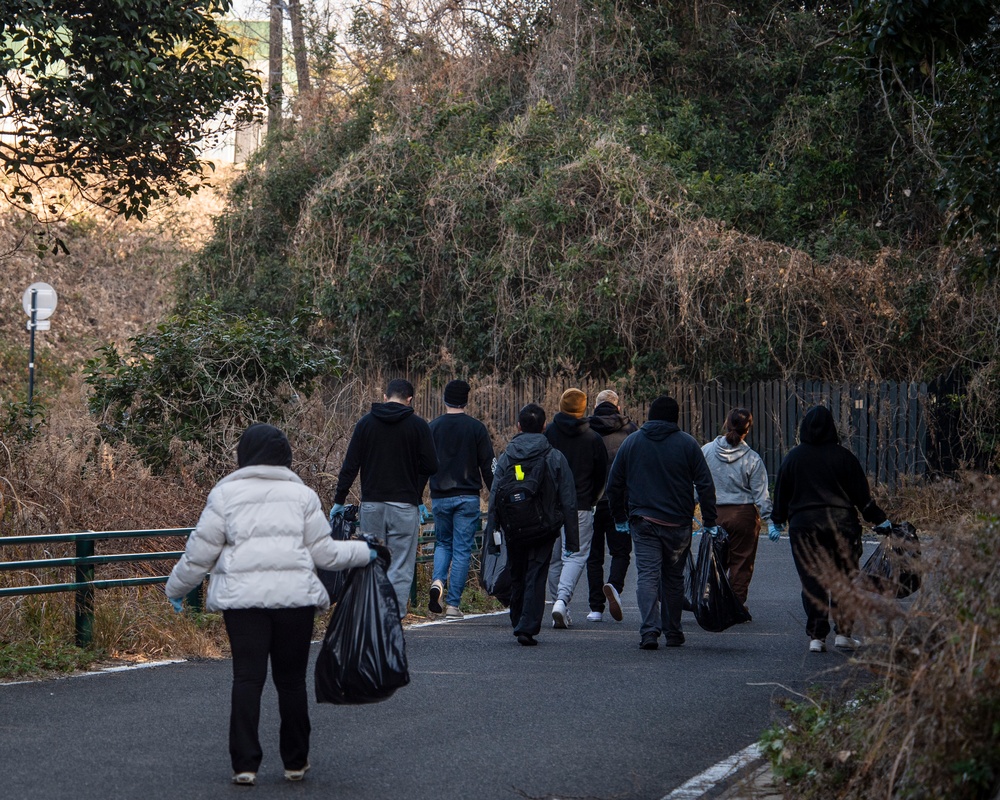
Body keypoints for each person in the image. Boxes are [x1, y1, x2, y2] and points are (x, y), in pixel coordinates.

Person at [165, 423, 380, 786]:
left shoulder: (224, 494)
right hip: (294, 600)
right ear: (286, 457)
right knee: (292, 682)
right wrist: (365, 551)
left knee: (247, 678)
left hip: (242, 601)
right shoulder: (303, 496)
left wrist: (175, 588)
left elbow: (200, 553)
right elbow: (325, 554)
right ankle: (295, 761)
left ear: (244, 455)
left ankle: (245, 765)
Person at [772, 405, 892, 653]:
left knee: (812, 579)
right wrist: (880, 520)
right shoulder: (845, 457)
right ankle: (844, 634)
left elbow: (781, 495)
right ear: (832, 428)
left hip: (804, 527)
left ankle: (817, 637)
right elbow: (863, 498)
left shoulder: (793, 458)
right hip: (842, 525)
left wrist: (777, 520)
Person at [606, 395, 718, 650]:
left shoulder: (633, 442)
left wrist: (620, 517)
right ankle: (673, 631)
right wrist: (710, 519)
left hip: (643, 520)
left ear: (650, 415)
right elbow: (705, 484)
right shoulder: (688, 444)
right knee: (673, 577)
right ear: (675, 417)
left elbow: (614, 484)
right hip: (678, 523)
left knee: (647, 575)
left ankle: (649, 631)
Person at [331, 378, 438, 618]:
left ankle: (373, 614)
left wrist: (339, 500)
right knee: (400, 563)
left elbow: (350, 465)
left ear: (385, 395)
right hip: (404, 505)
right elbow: (432, 464)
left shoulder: (365, 424)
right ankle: (393, 617)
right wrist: (415, 489)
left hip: (372, 505)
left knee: (373, 560)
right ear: (409, 399)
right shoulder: (418, 426)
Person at [485, 403, 579, 646]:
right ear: (544, 426)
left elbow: (495, 495)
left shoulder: (507, 456)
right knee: (537, 573)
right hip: (544, 528)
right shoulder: (554, 456)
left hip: (513, 527)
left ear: (518, 426)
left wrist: (493, 533)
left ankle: (517, 619)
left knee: (516, 570)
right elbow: (568, 500)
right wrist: (573, 539)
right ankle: (527, 627)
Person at [427, 379, 495, 620]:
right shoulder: (476, 428)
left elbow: (424, 464)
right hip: (467, 497)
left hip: (440, 496)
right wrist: (494, 492)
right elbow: (489, 466)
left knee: (443, 544)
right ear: (466, 400)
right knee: (462, 550)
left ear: (445, 399)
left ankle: (437, 581)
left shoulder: (432, 427)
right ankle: (453, 606)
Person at [545, 388, 608, 629]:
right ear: (584, 409)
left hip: (551, 506)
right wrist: (592, 500)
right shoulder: (593, 438)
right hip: (580, 505)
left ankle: (557, 604)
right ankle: (562, 600)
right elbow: (602, 476)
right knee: (576, 555)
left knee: (554, 559)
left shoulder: (549, 432)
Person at [701, 407, 774, 612]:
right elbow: (761, 493)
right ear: (747, 430)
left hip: (714, 514)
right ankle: (735, 605)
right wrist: (770, 519)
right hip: (744, 515)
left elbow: (697, 483)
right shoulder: (752, 459)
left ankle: (709, 600)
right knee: (741, 562)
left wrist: (691, 504)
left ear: (726, 423)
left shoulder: (706, 451)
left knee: (714, 560)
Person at [585, 389, 638, 622]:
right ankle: (614, 586)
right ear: (618, 406)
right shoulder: (631, 430)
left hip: (591, 501)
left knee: (593, 556)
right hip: (621, 503)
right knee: (621, 551)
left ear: (595, 406)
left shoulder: (585, 430)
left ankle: (596, 608)